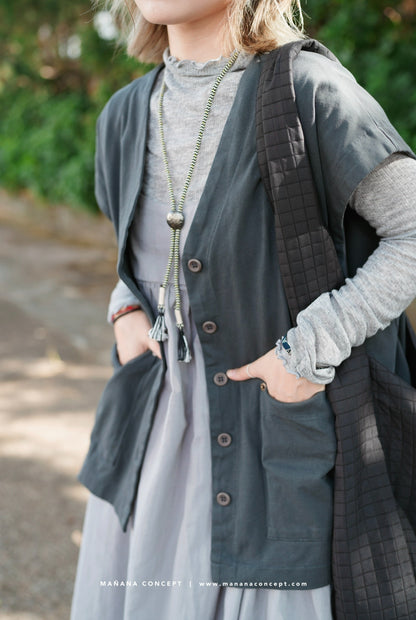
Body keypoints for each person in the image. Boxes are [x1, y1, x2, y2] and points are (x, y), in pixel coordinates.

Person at [70, 0, 416, 618]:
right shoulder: (122, 114)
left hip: (274, 452)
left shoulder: (310, 93)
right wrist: (124, 309)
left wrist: (305, 353)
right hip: (149, 445)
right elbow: (141, 253)